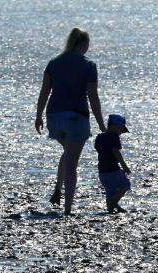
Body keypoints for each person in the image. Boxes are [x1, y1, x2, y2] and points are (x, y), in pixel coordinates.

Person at [35, 27, 107, 215]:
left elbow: (44, 91)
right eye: (87, 45)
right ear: (83, 44)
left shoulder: (54, 62)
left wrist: (38, 115)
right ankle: (67, 209)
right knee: (72, 164)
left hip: (54, 117)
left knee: (68, 152)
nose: (87, 49)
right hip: (76, 117)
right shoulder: (89, 65)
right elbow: (93, 97)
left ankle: (58, 188)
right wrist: (101, 124)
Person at [95, 113, 132, 213]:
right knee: (125, 184)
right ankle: (114, 202)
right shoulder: (114, 137)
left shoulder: (99, 137)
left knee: (109, 189)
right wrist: (124, 166)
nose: (121, 132)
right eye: (121, 130)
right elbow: (116, 151)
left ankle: (110, 210)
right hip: (113, 169)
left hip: (102, 171)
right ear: (117, 127)